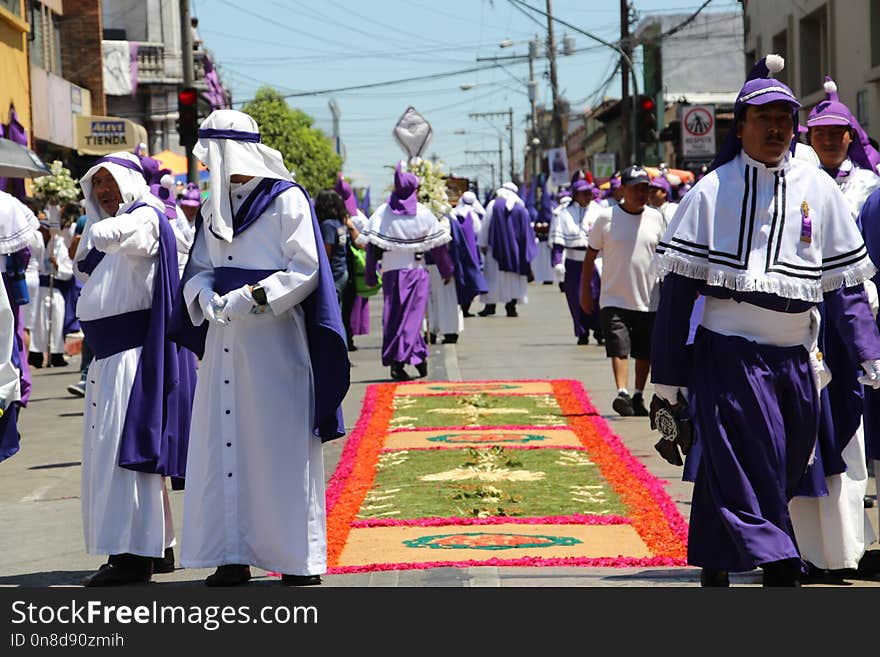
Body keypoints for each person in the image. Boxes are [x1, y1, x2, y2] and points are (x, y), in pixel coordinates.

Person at [648, 55, 880, 587]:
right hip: (728, 355)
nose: (775, 128)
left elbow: (843, 287)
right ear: (741, 126)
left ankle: (715, 556)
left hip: (796, 361)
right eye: (763, 119)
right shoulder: (710, 191)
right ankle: (777, 557)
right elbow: (678, 293)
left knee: (778, 466)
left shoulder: (818, 189)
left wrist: (869, 352)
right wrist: (667, 378)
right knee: (739, 463)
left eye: (784, 118)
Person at [169, 109, 349, 587]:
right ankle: (232, 554)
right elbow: (202, 264)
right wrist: (203, 294)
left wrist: (251, 299)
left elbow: (306, 268)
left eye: (212, 155)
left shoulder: (285, 199)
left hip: (274, 342)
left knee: (279, 447)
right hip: (224, 340)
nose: (207, 166)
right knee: (224, 444)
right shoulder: (214, 205)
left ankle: (296, 557)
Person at [74, 151, 195, 586]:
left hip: (130, 359)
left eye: (109, 183)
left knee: (122, 458)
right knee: (126, 458)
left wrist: (107, 220)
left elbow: (117, 235)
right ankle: (157, 547)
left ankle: (130, 557)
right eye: (96, 185)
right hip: (111, 360)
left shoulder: (144, 216)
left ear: (128, 182)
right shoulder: (131, 217)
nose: (103, 192)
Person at [787, 75, 880, 580]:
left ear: (850, 136)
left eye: (836, 132)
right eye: (818, 132)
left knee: (849, 436)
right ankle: (799, 548)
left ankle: (848, 548)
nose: (826, 139)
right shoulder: (794, 183)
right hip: (799, 324)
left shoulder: (869, 189)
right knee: (798, 440)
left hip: (848, 326)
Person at [580, 165, 664, 417]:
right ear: (622, 190)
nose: (642, 193)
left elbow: (666, 256)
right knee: (618, 346)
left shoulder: (657, 218)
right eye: (636, 188)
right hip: (613, 297)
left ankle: (638, 394)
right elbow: (590, 255)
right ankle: (622, 392)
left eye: (645, 188)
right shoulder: (605, 218)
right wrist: (585, 290)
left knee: (643, 351)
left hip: (649, 298)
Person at [362, 161, 452, 381]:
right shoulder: (422, 213)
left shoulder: (382, 213)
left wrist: (370, 274)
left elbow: (373, 249)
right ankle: (400, 360)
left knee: (394, 318)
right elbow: (439, 249)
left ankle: (418, 356)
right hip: (415, 272)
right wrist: (446, 270)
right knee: (412, 319)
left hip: (391, 273)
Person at [550, 177, 603, 345]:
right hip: (574, 262)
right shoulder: (564, 214)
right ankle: (582, 331)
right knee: (575, 298)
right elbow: (558, 242)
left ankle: (600, 330)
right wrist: (557, 262)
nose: (588, 196)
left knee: (596, 296)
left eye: (589, 193)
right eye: (584, 193)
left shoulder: (599, 211)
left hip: (596, 261)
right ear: (575, 195)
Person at [476, 182, 536, 318]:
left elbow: (485, 225)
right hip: (516, 251)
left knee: (493, 278)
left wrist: (482, 244)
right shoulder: (521, 207)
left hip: (495, 249)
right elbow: (527, 232)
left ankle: (490, 306)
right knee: (513, 279)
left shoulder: (494, 205)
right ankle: (511, 307)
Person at [28, 214, 72, 368]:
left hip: (55, 289)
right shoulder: (34, 242)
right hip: (39, 290)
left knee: (56, 322)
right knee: (37, 324)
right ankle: (35, 356)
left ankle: (56, 355)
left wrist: (57, 265)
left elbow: (68, 271)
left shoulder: (59, 245)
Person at [334, 174, 367, 351]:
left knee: (345, 306)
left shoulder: (344, 219)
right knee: (346, 306)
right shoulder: (358, 217)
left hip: (346, 267)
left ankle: (347, 338)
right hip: (347, 268)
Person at [449, 191, 488, 320]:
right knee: (472, 278)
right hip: (471, 251)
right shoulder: (473, 215)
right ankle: (466, 308)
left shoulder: (454, 213)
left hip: (458, 250)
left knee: (461, 276)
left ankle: (461, 306)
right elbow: (478, 231)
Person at [66, 208, 92, 397]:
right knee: (89, 330)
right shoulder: (84, 220)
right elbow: (72, 254)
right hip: (90, 282)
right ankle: (85, 376)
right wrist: (77, 240)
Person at [315, 189, 350, 314]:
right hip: (341, 270)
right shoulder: (339, 224)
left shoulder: (328, 225)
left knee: (331, 313)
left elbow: (326, 254)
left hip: (334, 273)